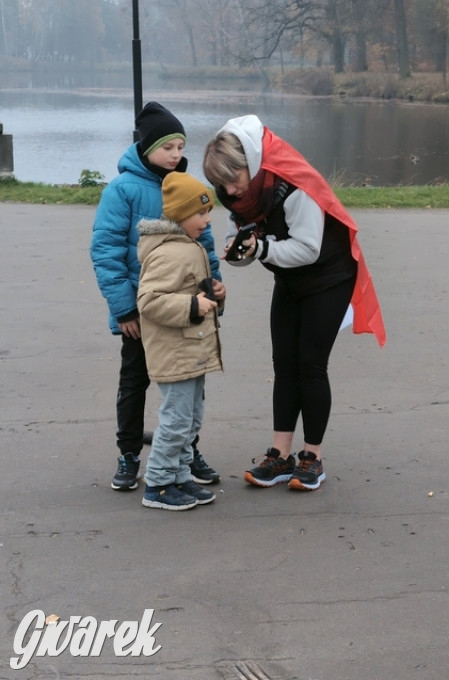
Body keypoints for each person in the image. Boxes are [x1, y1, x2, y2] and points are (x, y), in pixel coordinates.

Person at [203, 114, 386, 491]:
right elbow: (238, 246)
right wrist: (240, 252)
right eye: (220, 185)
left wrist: (262, 247)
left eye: (232, 182)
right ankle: (279, 455)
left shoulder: (292, 180)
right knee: (284, 363)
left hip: (330, 275)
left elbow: (307, 247)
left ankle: (312, 459)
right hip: (289, 277)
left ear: (249, 167)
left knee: (311, 365)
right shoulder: (238, 192)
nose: (230, 192)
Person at [90, 101, 224, 492]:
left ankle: (186, 451)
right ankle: (129, 453)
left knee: (188, 381)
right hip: (141, 310)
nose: (176, 155)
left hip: (186, 313)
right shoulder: (123, 189)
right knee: (135, 380)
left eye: (181, 147)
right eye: (168, 147)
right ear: (146, 146)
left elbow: (206, 244)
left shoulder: (187, 187)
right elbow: (106, 252)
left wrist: (214, 288)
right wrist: (125, 309)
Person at [137, 172, 224, 510]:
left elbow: (194, 293)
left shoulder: (190, 247)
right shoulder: (167, 253)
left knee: (190, 419)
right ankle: (157, 484)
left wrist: (214, 294)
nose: (206, 220)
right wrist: (192, 305)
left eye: (208, 213)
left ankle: (180, 474)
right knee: (175, 419)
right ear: (178, 214)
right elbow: (149, 301)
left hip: (193, 348)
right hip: (175, 352)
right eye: (200, 213)